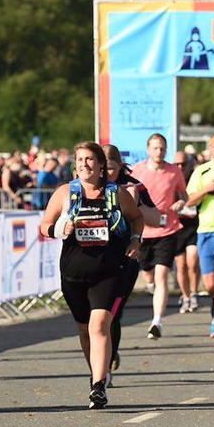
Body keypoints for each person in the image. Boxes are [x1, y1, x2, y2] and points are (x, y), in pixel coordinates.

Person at [40, 142, 142, 409]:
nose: (84, 164)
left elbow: (136, 217)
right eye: (79, 160)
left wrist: (135, 239)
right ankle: (97, 373)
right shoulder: (65, 192)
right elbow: (44, 225)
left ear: (100, 166)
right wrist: (60, 228)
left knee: (99, 326)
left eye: (89, 160)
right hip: (74, 272)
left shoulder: (116, 193)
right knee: (85, 330)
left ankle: (98, 385)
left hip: (110, 270)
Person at [104, 145, 160, 378]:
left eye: (110, 168)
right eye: (101, 167)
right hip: (90, 259)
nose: (105, 173)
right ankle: (102, 357)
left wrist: (135, 204)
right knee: (93, 317)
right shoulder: (84, 185)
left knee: (112, 315)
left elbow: (156, 219)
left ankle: (106, 364)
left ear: (119, 166)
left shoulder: (133, 185)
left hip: (124, 258)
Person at [131, 134, 188, 340]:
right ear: (148, 149)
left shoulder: (174, 171)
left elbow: (183, 194)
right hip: (145, 230)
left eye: (163, 148)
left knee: (162, 274)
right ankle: (153, 290)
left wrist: (181, 203)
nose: (159, 152)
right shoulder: (137, 171)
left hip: (168, 228)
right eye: (155, 148)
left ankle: (157, 321)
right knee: (148, 274)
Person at [186, 133, 214, 337]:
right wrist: (207, 189)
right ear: (209, 148)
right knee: (212, 284)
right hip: (205, 231)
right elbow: (189, 200)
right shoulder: (201, 171)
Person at [173, 151, 201, 314]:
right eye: (177, 164)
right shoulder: (170, 178)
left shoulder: (194, 178)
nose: (180, 167)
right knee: (181, 265)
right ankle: (186, 297)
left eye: (183, 164)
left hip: (193, 226)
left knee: (193, 261)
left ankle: (194, 292)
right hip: (177, 227)